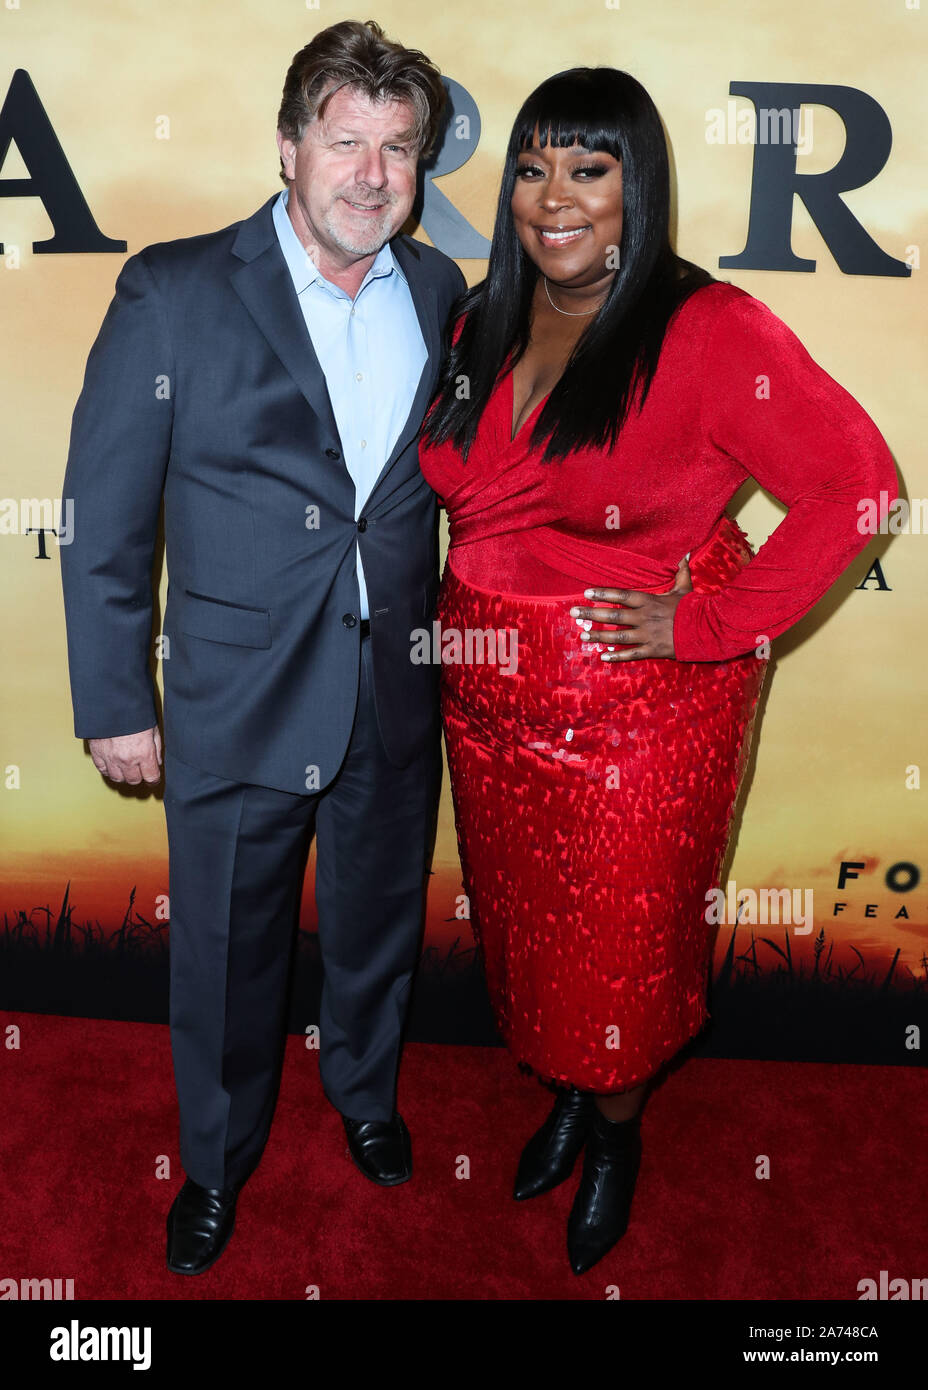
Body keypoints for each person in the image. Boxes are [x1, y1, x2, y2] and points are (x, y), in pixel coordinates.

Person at [418, 66, 899, 1275]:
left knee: (618, 954)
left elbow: (859, 488)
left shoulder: (708, 330)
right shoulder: (482, 318)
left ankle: (618, 1134)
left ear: (641, 185)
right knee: (530, 934)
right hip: (485, 702)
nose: (552, 197)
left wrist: (709, 622)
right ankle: (573, 1097)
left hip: (635, 716)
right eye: (530, 168)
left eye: (589, 168)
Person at [60, 19, 465, 1275]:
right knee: (229, 948)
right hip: (236, 691)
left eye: (398, 148)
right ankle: (218, 1160)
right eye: (344, 141)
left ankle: (363, 1093)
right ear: (287, 147)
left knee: (377, 918)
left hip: (393, 682)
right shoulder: (176, 288)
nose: (371, 173)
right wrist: (115, 698)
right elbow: (106, 516)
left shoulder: (444, 295)